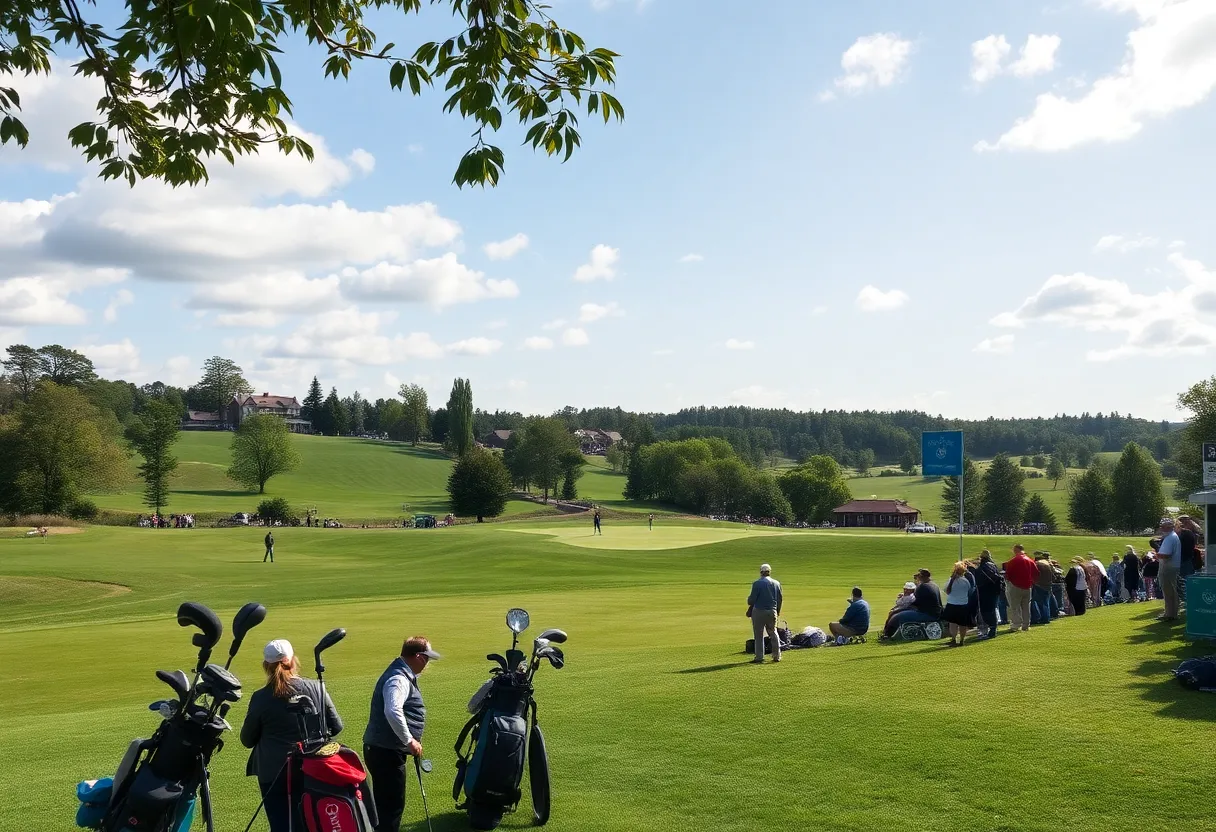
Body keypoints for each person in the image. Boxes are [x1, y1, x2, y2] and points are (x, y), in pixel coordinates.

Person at [241, 640, 343, 832]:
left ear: (266, 665)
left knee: (281, 825)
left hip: (274, 773)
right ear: (293, 661)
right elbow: (336, 726)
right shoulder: (316, 687)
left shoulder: (260, 697)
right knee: (315, 822)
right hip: (314, 768)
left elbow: (247, 739)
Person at [364, 636, 441, 832]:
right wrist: (409, 740)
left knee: (385, 805)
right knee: (391, 807)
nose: (426, 664)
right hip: (386, 752)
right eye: (426, 659)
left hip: (381, 749)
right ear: (417, 656)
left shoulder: (400, 673)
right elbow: (392, 710)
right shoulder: (398, 678)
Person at [881, 568, 942, 640]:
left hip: (927, 614)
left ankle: (887, 635)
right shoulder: (933, 584)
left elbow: (915, 602)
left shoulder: (923, 586)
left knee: (897, 617)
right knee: (896, 612)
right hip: (934, 612)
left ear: (922, 577)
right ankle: (887, 633)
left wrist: (903, 607)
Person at [747, 563, 783, 663]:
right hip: (772, 611)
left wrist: (748, 601)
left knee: (758, 634)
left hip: (759, 611)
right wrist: (777, 611)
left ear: (761, 572)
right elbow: (780, 599)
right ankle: (776, 656)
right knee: (773, 632)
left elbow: (751, 600)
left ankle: (759, 657)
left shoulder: (757, 583)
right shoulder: (777, 583)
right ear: (769, 572)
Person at [1002, 545, 1037, 633]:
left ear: (1016, 550)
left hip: (1016, 586)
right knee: (1026, 607)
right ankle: (1026, 625)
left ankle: (1016, 625)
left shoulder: (1013, 561)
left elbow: (1007, 575)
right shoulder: (1030, 560)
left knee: (1015, 607)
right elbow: (1036, 573)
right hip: (1028, 586)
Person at [941, 562, 975, 646]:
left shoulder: (951, 580)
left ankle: (953, 639)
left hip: (952, 603)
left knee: (953, 623)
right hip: (963, 604)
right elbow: (969, 590)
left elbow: (946, 590)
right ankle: (962, 640)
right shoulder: (966, 581)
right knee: (963, 624)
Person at [1156, 518, 1182, 622]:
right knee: (1171, 591)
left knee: (1169, 591)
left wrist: (1155, 554)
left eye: (1163, 526)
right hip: (1171, 567)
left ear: (1169, 527)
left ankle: (1170, 614)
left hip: (1168, 568)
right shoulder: (1171, 537)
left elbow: (1166, 555)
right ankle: (1171, 613)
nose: (1161, 528)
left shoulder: (1170, 538)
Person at [973, 551, 1003, 638]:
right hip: (993, 591)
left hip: (986, 592)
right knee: (991, 610)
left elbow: (982, 579)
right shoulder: (992, 565)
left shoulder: (984, 566)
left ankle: (992, 630)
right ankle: (992, 629)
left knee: (987, 612)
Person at [1031, 552, 1053, 625]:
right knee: (1045, 603)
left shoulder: (1036, 564)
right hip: (1048, 585)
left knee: (1036, 602)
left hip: (1039, 585)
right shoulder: (1047, 564)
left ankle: (1037, 618)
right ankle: (1046, 618)